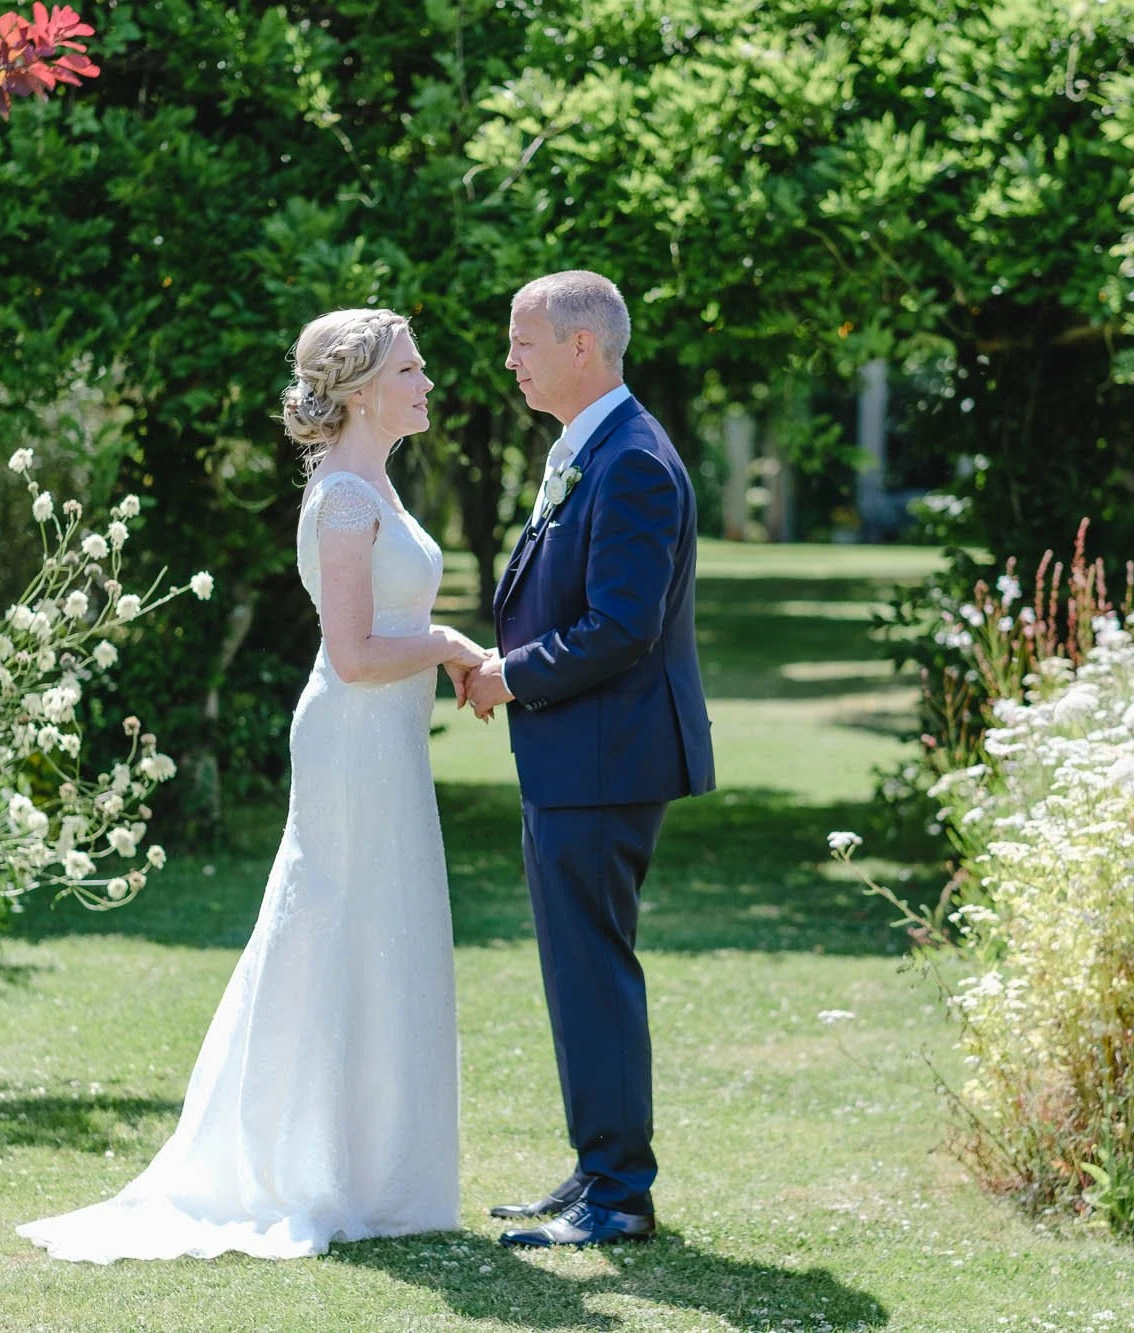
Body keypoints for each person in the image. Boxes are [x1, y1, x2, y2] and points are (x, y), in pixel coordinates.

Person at [18, 308, 486, 1261]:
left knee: (386, 924)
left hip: (387, 745)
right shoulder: (345, 501)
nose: (427, 380)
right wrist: (445, 645)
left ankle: (379, 1170)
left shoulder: (375, 488)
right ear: (361, 390)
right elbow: (352, 655)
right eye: (411, 367)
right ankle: (312, 1169)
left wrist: (442, 653)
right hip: (353, 741)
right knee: (341, 924)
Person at [463, 270, 715, 1248]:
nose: (510, 359)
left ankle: (618, 1195)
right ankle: (595, 1169)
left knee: (593, 971)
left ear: (580, 346)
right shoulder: (592, 448)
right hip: (577, 757)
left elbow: (620, 627)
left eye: (522, 341)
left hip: (608, 758)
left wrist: (508, 677)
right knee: (575, 973)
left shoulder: (632, 461)